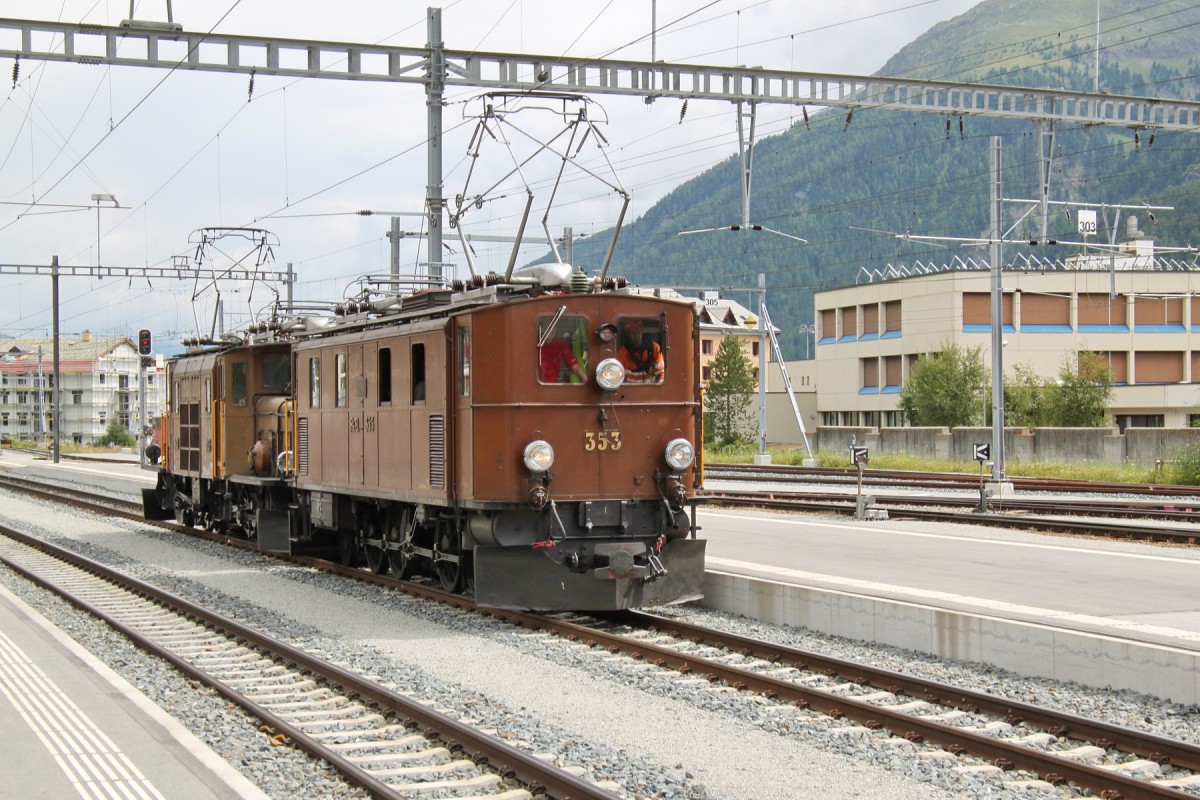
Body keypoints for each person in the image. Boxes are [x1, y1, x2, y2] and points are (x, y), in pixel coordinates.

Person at [617, 319, 665, 384]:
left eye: (637, 330)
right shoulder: (622, 353)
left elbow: (661, 374)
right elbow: (619, 378)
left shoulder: (654, 348)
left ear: (641, 330)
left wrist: (658, 388)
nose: (636, 334)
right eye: (632, 332)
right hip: (630, 389)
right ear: (628, 334)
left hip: (652, 389)